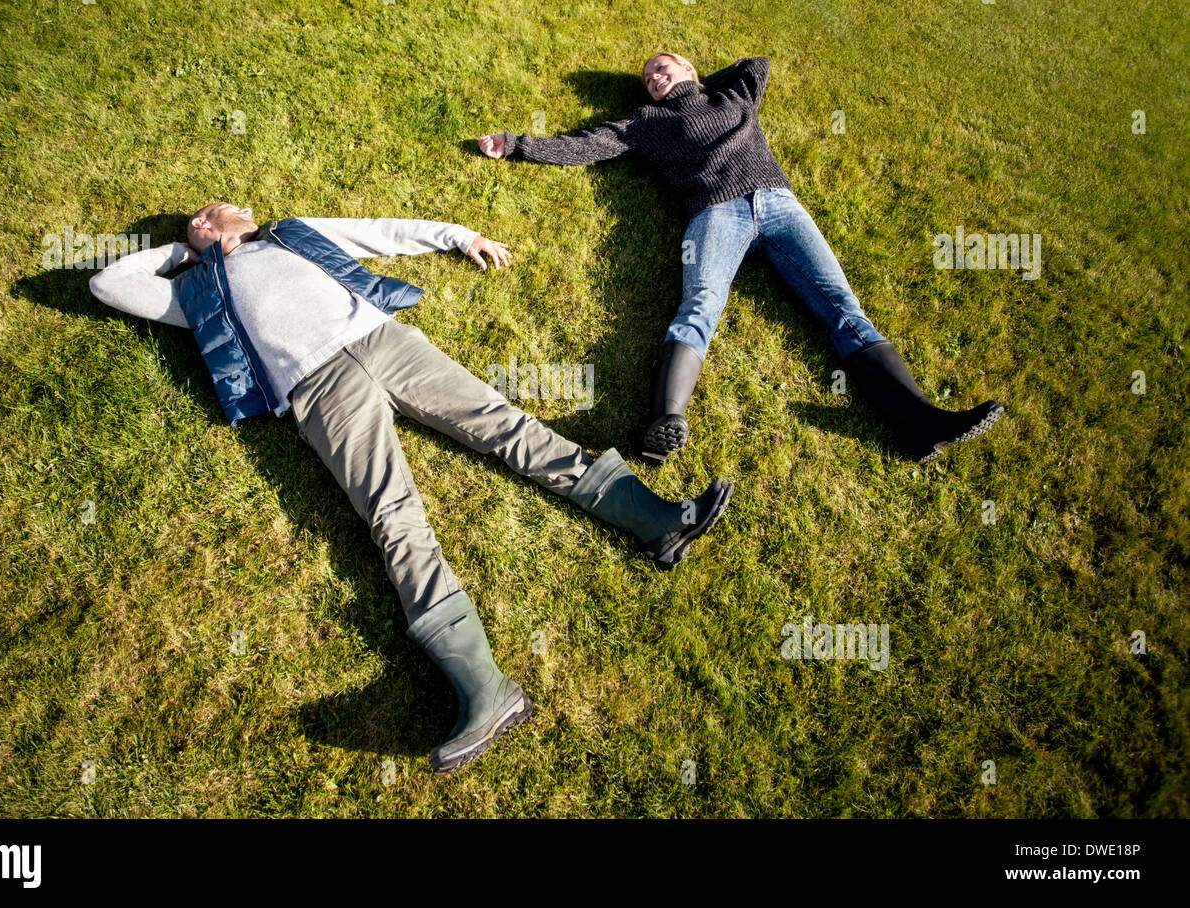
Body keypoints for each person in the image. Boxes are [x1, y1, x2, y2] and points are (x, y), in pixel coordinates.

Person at [88, 202, 733, 775]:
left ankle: (658, 520)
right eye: (202, 216)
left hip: (385, 340)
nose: (214, 212)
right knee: (392, 515)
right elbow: (108, 283)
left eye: (220, 208)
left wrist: (456, 235)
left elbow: (378, 234)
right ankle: (482, 687)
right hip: (318, 391)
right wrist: (187, 251)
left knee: (506, 426)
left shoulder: (290, 234)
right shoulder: (197, 293)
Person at [478, 52, 1005, 465]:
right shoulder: (646, 121)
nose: (653, 78)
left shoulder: (735, 94)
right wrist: (516, 144)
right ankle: (666, 422)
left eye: (662, 68)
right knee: (700, 305)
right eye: (647, 77)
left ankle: (921, 422)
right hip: (714, 215)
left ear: (689, 68)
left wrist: (698, 82)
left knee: (844, 309)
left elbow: (759, 64)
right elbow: (586, 145)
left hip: (779, 204)